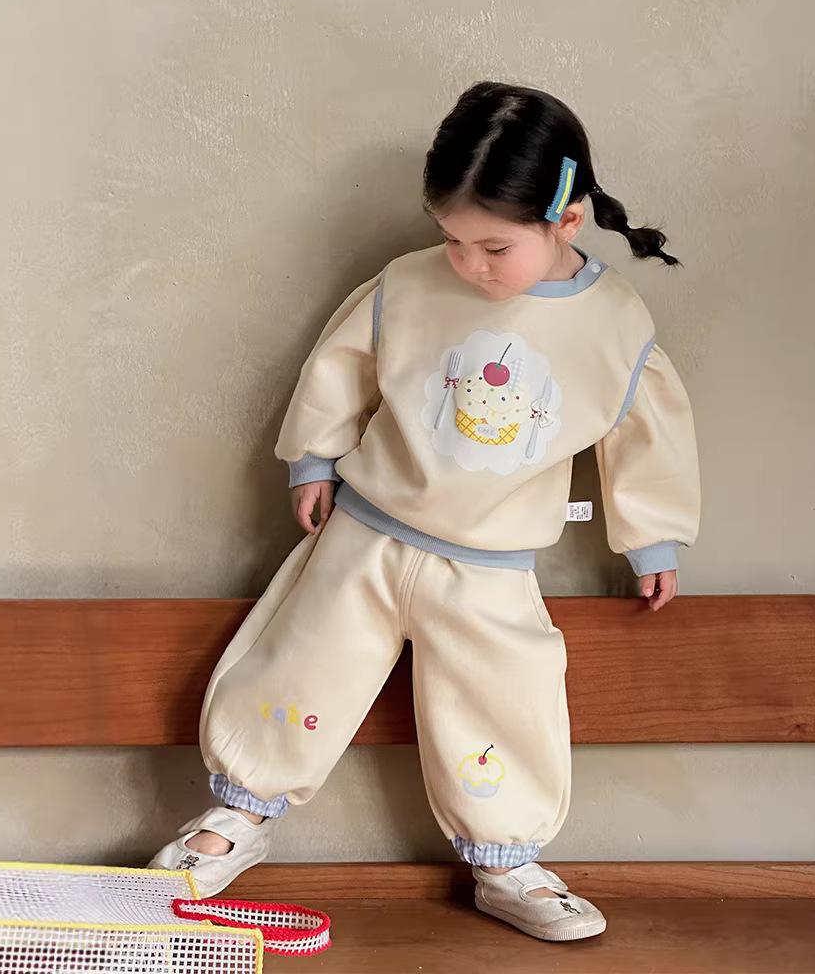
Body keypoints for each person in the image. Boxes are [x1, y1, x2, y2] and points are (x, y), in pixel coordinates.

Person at [149, 81, 700, 942]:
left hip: (491, 565)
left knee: (502, 702)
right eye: (453, 240)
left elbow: (645, 433)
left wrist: (652, 538)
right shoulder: (408, 284)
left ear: (567, 220)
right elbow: (344, 362)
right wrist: (313, 457)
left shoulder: (612, 323)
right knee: (302, 664)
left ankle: (504, 862)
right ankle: (239, 816)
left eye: (494, 246)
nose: (470, 264)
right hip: (367, 530)